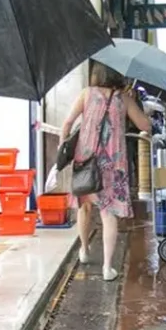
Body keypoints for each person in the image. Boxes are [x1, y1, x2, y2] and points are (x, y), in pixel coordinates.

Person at [62, 62, 151, 282]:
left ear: (97, 74)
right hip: (114, 163)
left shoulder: (86, 94)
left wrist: (63, 146)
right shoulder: (124, 99)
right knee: (108, 213)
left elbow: (67, 122)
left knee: (84, 207)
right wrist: (142, 111)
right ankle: (107, 267)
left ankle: (84, 249)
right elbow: (145, 126)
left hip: (86, 160)